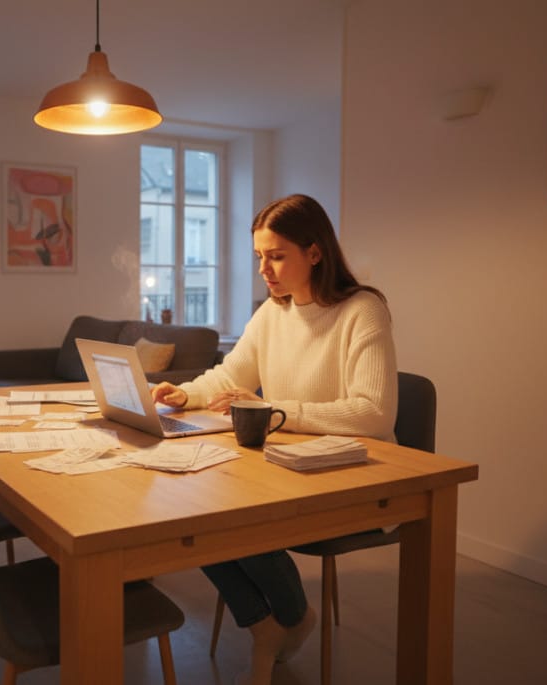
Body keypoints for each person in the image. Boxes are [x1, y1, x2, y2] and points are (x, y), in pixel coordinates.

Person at [151, 193, 398, 684]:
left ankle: (289, 618)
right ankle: (269, 623)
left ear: (315, 252)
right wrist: (184, 394)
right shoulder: (273, 312)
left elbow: (373, 413)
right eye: (259, 256)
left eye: (277, 255)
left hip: (352, 472)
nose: (264, 268)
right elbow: (229, 375)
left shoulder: (362, 310)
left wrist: (276, 412)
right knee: (191, 508)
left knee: (230, 516)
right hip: (286, 465)